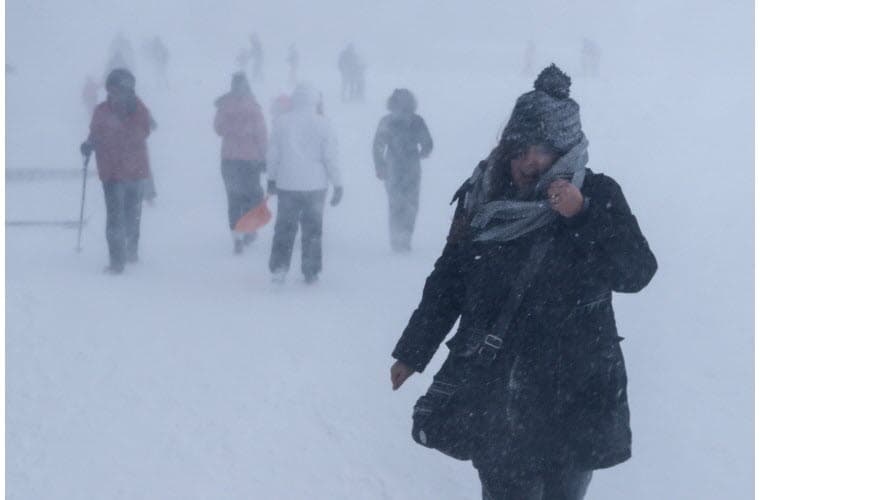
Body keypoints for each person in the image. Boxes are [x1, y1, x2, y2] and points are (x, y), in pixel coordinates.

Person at [389, 65, 657, 499]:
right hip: (498, 390)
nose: (529, 160)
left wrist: (583, 214)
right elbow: (449, 280)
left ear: (566, 151)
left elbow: (637, 271)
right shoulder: (483, 195)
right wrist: (413, 351)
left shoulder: (599, 195)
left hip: (573, 388)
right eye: (521, 147)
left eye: (544, 150)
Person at [265, 83, 343, 285]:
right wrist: (338, 184)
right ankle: (311, 270)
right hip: (315, 186)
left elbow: (273, 155)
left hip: (287, 184)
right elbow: (330, 157)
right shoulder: (323, 124)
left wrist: (271, 179)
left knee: (284, 227)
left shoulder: (282, 122)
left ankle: (279, 268)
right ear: (314, 101)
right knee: (313, 229)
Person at [80, 68, 156, 274]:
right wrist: (89, 144)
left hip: (132, 171)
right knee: (116, 216)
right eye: (115, 89)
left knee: (131, 214)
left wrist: (121, 124)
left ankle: (131, 250)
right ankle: (117, 259)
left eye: (122, 89)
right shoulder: (102, 111)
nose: (118, 94)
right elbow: (95, 133)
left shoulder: (137, 109)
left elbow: (144, 131)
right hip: (113, 172)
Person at [372, 88, 433, 252]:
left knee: (395, 203)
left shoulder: (387, 121)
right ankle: (405, 238)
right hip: (412, 165)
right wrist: (424, 152)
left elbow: (378, 146)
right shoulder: (416, 121)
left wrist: (380, 166)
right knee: (411, 203)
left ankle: (396, 238)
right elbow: (427, 142)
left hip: (392, 166)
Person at [214, 72, 269, 254]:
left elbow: (218, 129)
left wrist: (233, 126)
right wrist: (264, 157)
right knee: (251, 197)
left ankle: (236, 237)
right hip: (250, 160)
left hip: (229, 159)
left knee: (233, 198)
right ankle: (249, 230)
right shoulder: (253, 106)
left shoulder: (224, 104)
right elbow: (261, 135)